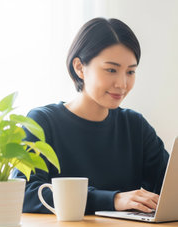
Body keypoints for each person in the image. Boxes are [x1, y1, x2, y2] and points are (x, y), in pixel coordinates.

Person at [13, 17, 169, 214]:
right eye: (111, 70)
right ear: (79, 68)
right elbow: (25, 193)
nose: (122, 84)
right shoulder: (42, 122)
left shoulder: (134, 125)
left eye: (130, 72)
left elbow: (173, 186)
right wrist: (112, 200)